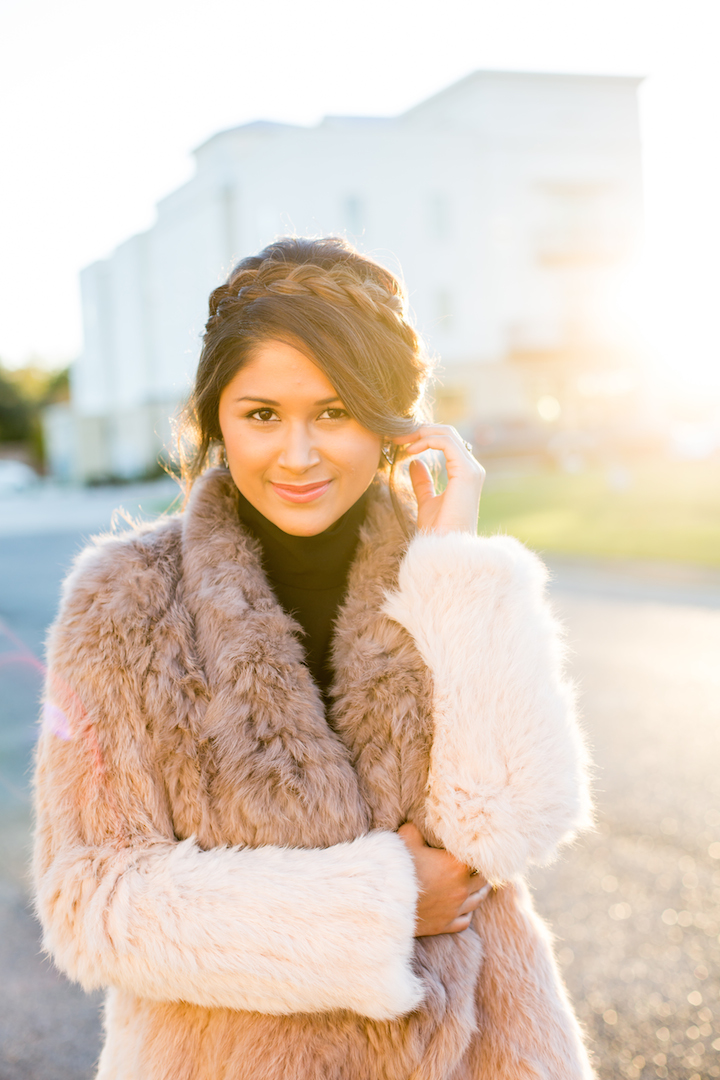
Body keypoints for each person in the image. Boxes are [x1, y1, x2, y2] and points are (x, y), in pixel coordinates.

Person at [33, 236, 594, 1080]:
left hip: (480, 1050)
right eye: (262, 415)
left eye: (334, 412)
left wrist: (454, 561)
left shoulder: (446, 574)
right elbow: (90, 900)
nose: (298, 455)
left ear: (393, 418)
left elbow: (513, 822)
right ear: (216, 418)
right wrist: (382, 904)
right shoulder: (123, 600)